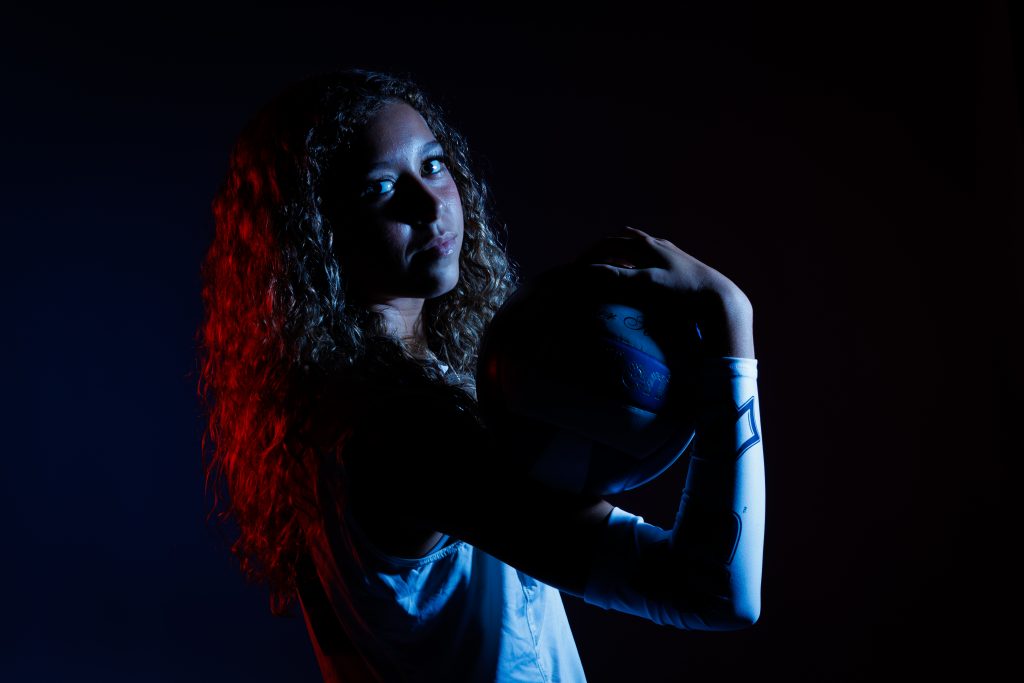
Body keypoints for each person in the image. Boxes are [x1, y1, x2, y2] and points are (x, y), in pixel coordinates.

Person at [197, 68, 765, 682]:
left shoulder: (334, 401)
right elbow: (711, 593)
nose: (428, 203)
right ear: (318, 236)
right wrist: (731, 322)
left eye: (434, 164)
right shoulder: (404, 430)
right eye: (379, 188)